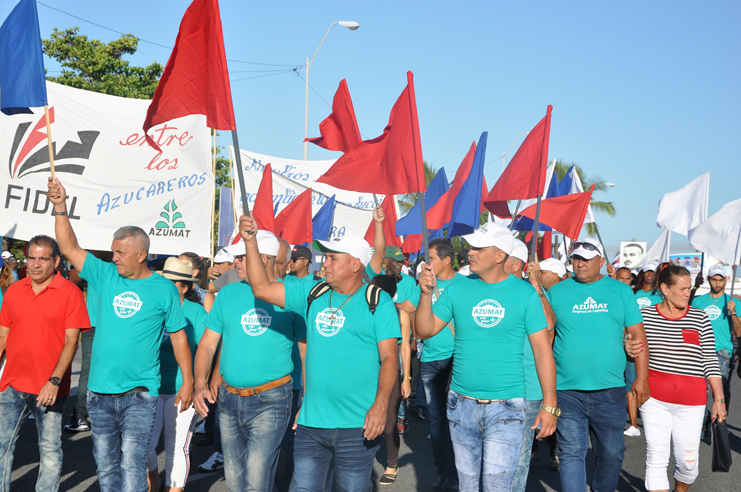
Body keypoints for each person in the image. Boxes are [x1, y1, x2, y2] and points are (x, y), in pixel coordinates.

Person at [48, 178, 194, 492]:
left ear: (142, 255)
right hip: (99, 394)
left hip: (139, 395)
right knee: (105, 463)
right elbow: (69, 247)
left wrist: (190, 381)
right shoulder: (104, 274)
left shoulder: (164, 289)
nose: (114, 257)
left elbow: (180, 337)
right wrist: (60, 207)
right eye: (113, 251)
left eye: (121, 253)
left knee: (133, 462)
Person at [238, 214, 400, 491]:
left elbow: (389, 358)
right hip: (312, 424)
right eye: (325, 257)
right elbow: (262, 288)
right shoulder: (311, 292)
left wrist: (381, 405)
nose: (324, 262)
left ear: (354, 264)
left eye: (332, 258)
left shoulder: (377, 302)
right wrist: (250, 242)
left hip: (357, 424)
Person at [416, 223, 558, 492]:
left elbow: (542, 350)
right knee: (467, 487)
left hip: (507, 407)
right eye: (471, 246)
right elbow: (424, 329)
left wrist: (549, 405)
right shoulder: (458, 288)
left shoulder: (525, 292)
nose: (471, 252)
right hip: (461, 404)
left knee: (498, 487)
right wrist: (425, 295)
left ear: (500, 255)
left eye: (480, 248)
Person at [193, 231, 306, 492]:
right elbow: (208, 344)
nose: (236, 263)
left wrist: (307, 399)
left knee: (256, 480)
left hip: (272, 399)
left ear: (263, 259)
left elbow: (305, 352)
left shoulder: (291, 296)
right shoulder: (229, 294)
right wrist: (201, 383)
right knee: (234, 480)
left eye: (242, 257)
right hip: (229, 400)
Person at [548, 238, 650, 492]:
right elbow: (545, 339)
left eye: (586, 259)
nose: (580, 264)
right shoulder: (557, 292)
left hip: (610, 389)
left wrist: (641, 378)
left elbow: (638, 335)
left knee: (612, 453)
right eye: (576, 259)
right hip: (566, 390)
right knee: (571, 453)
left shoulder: (620, 291)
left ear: (602, 262)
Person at [0, 235, 89, 492]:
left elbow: (72, 341)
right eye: (31, 258)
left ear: (56, 261)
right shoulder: (15, 290)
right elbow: (3, 336)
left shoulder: (70, 293)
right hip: (12, 384)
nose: (36, 264)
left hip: (49, 387)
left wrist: (55, 380)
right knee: (2, 446)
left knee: (49, 449)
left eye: (43, 258)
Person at [640, 265, 725, 492]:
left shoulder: (700, 318)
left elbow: (710, 360)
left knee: (688, 464)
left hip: (692, 401)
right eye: (683, 288)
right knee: (656, 458)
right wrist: (628, 346)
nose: (689, 293)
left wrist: (719, 399)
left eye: (690, 288)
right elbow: (633, 348)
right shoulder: (645, 316)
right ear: (665, 288)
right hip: (654, 399)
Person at [405, 238, 460, 491]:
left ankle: (463, 472)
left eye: (432, 259)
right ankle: (444, 475)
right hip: (429, 362)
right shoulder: (424, 285)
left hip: (456, 361)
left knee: (459, 421)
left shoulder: (464, 285)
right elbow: (415, 321)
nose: (427, 265)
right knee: (437, 422)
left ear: (447, 260)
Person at [147, 258, 207, 492]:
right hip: (149, 387)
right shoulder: (152, 307)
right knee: (145, 446)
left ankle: (175, 489)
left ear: (185, 286)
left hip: (183, 387)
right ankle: (154, 479)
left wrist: (198, 385)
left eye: (172, 282)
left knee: (176, 447)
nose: (165, 285)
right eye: (163, 280)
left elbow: (206, 351)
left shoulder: (197, 313)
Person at [503, 240, 558, 492]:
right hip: (489, 388)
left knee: (518, 459)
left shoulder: (532, 291)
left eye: (500, 255)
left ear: (516, 264)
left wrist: (536, 284)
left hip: (527, 391)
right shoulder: (483, 289)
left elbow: (548, 329)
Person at [369, 275, 412, 486]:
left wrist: (407, 378)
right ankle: (365, 467)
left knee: (389, 424)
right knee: (363, 420)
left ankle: (392, 464)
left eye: (374, 289)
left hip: (392, 374)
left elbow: (404, 348)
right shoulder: (365, 309)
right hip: (367, 373)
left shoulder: (400, 313)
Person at [65, 250, 113, 433]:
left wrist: (90, 254)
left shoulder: (95, 265)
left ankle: (80, 416)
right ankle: (85, 415)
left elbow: (73, 277)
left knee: (89, 369)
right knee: (95, 368)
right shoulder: (123, 266)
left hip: (96, 324)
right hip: (101, 324)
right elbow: (74, 277)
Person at [690, 264, 741, 435]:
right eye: (714, 280)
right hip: (700, 350)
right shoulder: (698, 301)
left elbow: (739, 331)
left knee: (721, 391)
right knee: (698, 389)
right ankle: (703, 421)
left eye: (721, 280)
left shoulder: (733, 302)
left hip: (722, 351)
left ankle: (720, 423)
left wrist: (733, 313)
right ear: (708, 280)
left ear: (726, 280)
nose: (718, 283)